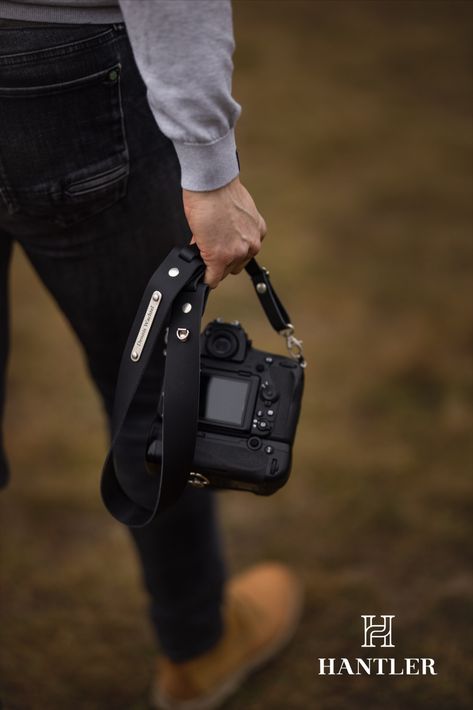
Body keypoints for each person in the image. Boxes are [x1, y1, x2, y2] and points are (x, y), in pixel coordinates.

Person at [0, 1, 302, 708]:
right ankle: (198, 646)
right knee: (151, 396)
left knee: (150, 391)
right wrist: (209, 163)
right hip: (63, 68)